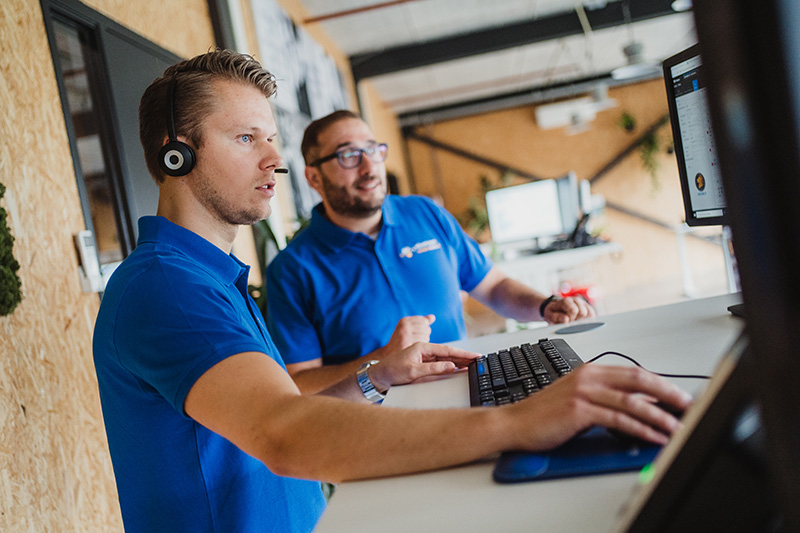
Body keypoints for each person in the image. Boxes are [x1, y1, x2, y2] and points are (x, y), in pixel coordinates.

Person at [93, 49, 691, 533]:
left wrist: (377, 375)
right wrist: (517, 423)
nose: (275, 158)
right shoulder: (167, 287)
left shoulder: (209, 277)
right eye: (247, 138)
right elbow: (283, 432)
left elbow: (288, 413)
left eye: (272, 138)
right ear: (177, 153)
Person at [266, 110, 595, 394]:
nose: (369, 167)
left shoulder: (424, 213)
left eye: (373, 150)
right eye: (348, 155)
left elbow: (493, 286)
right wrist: (382, 358)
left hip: (472, 386)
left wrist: (545, 305)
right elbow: (300, 382)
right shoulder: (292, 268)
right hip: (379, 418)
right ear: (314, 178)